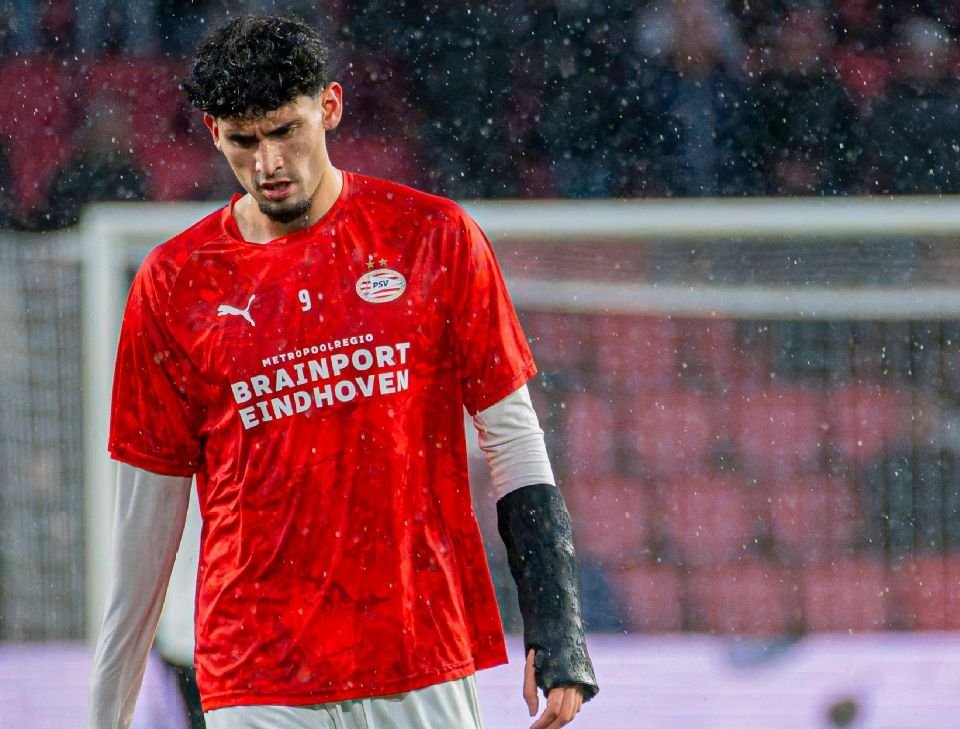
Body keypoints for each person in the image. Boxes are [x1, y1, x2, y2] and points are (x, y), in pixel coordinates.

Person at [89, 15, 598, 729]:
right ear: (213, 132)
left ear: (329, 106)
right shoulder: (174, 283)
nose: (269, 163)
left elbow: (514, 439)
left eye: (285, 130)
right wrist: (106, 712)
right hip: (256, 673)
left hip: (418, 649)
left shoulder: (434, 237)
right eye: (244, 141)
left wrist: (558, 625)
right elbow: (146, 523)